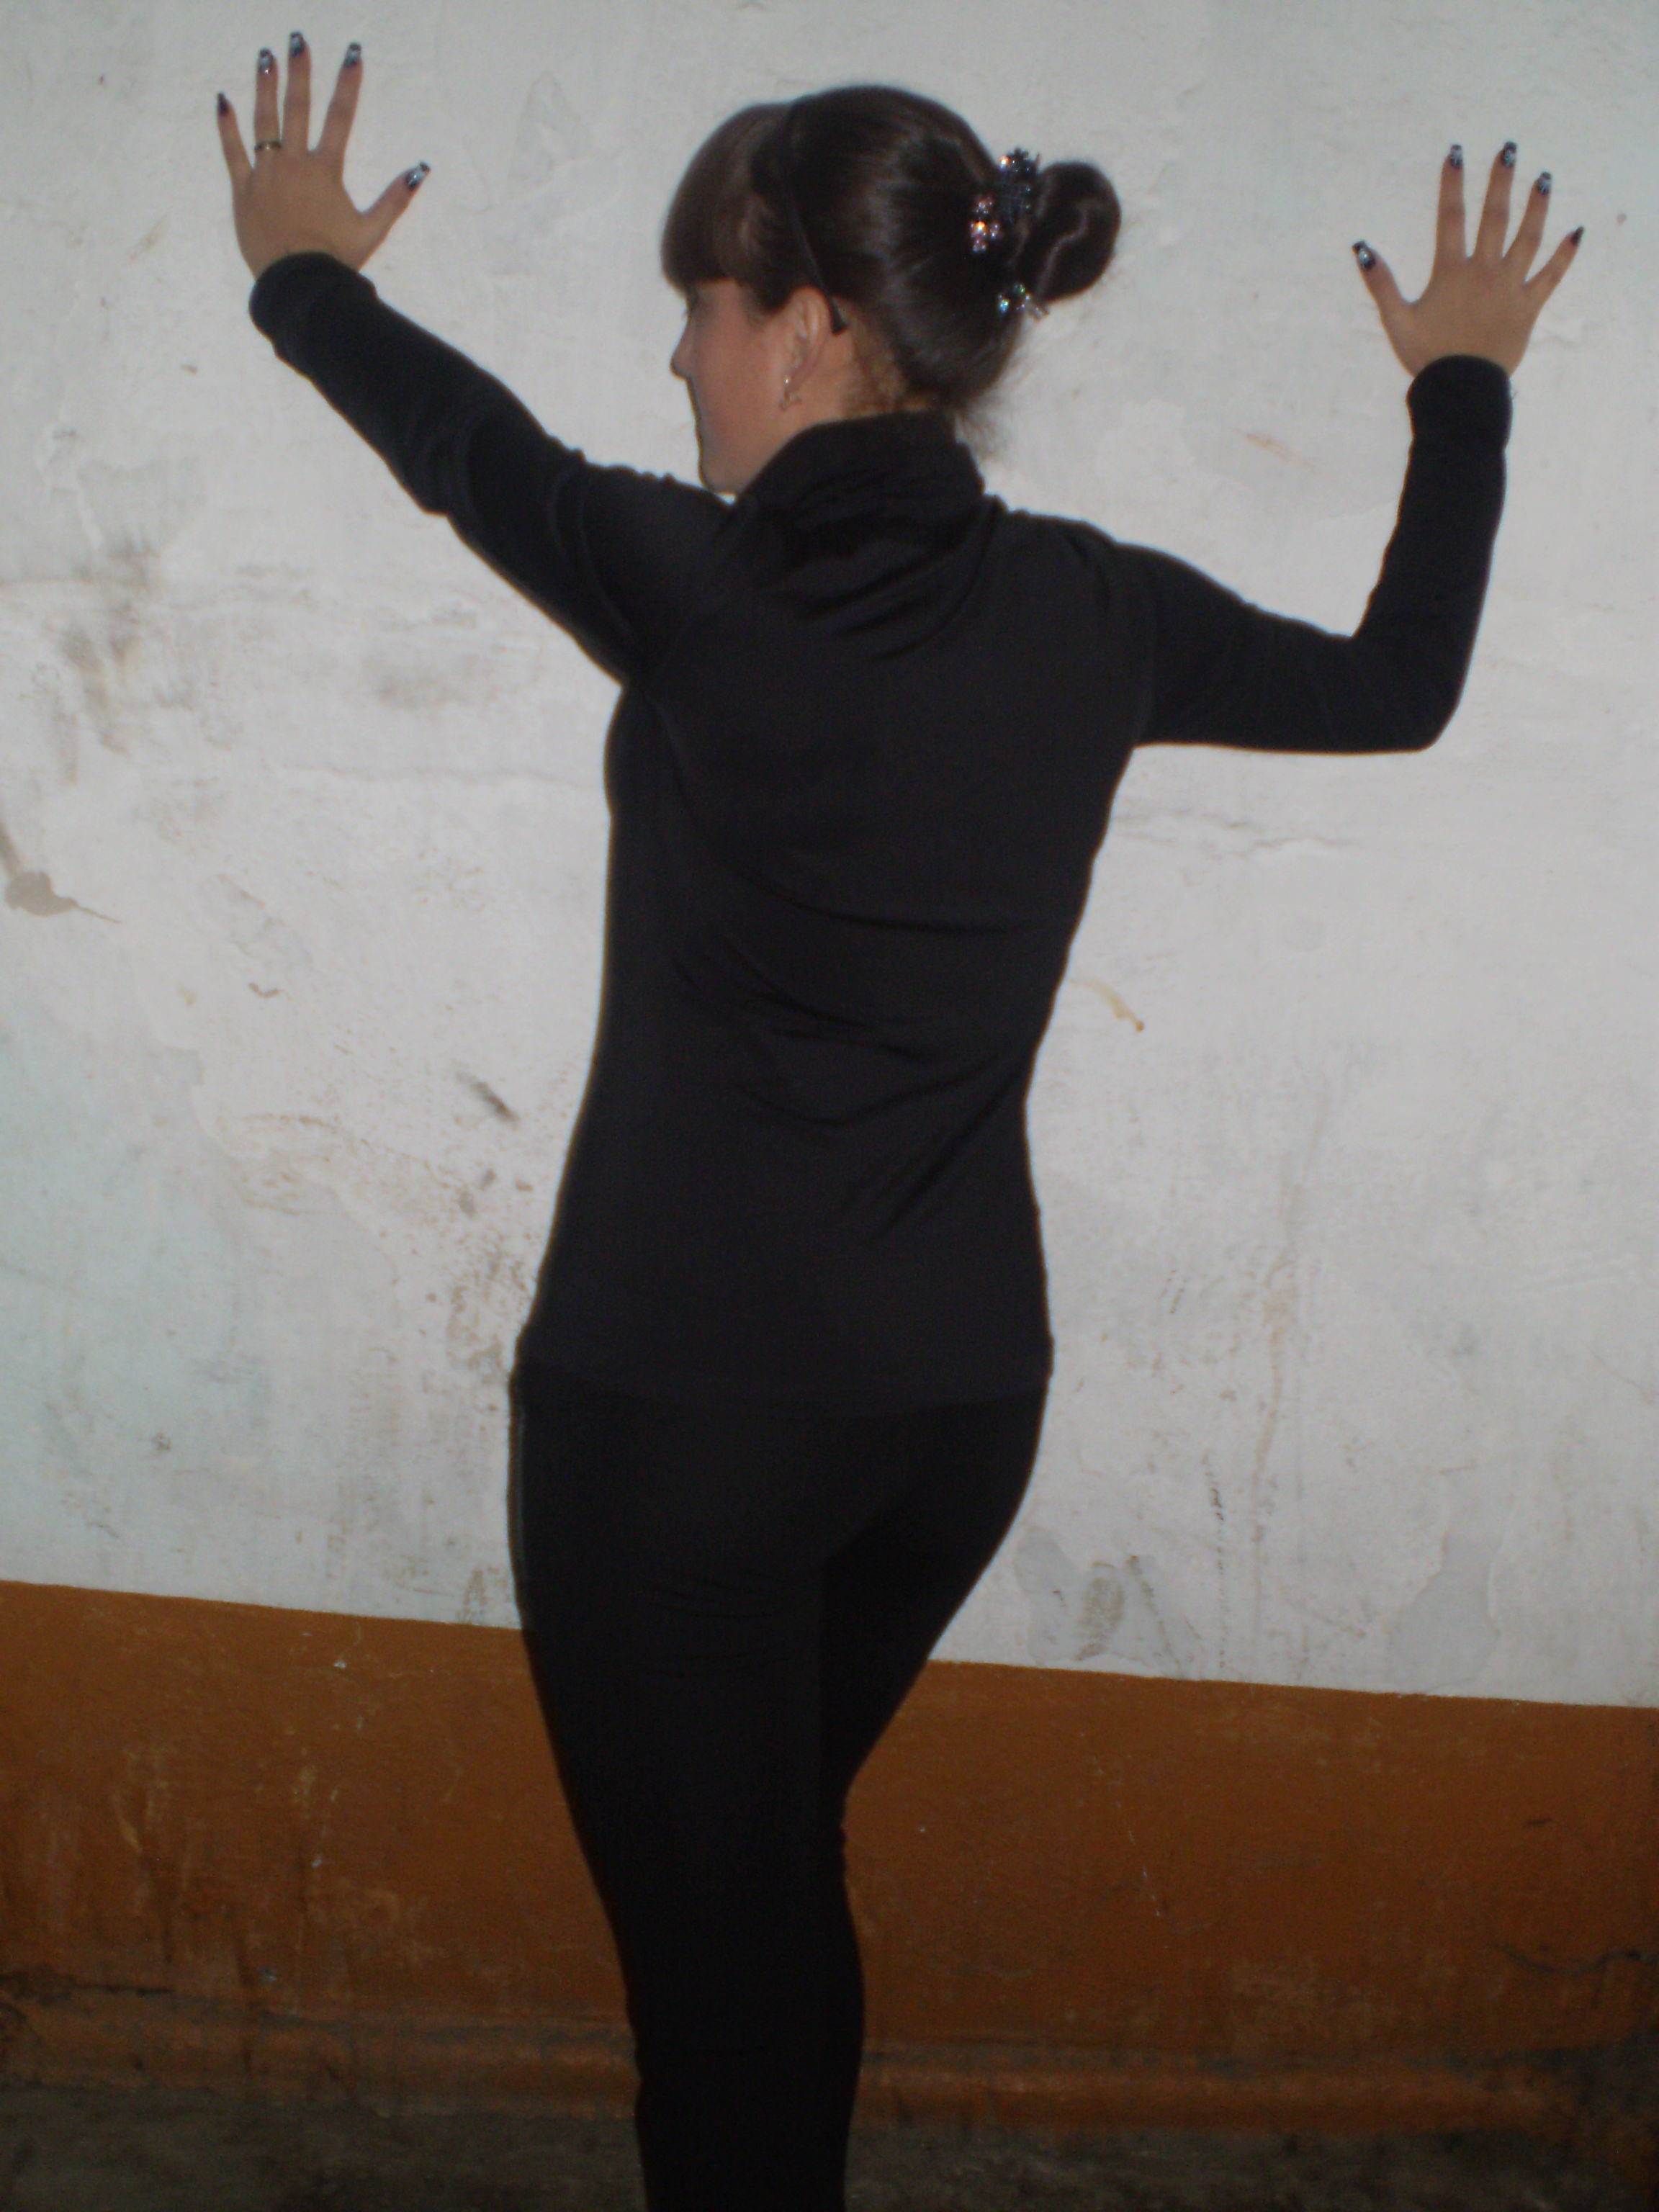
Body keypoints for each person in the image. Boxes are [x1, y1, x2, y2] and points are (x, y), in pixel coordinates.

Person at [218, 37, 1579, 2212]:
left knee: (731, 1977)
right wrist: (1468, 390)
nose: (680, 362)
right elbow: (1395, 688)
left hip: (683, 1432)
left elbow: (464, 450)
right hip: (950, 1415)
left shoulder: (695, 582)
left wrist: (297, 276)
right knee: (763, 1907)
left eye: (701, 311)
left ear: (810, 329)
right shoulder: (1096, 610)